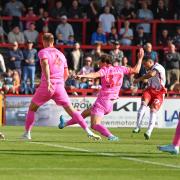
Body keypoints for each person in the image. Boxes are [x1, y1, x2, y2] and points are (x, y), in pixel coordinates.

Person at [22, 33, 101, 140]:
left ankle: (27, 133)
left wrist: (49, 81)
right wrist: (60, 84)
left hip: (47, 85)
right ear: (53, 41)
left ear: (44, 41)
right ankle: (88, 131)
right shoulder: (61, 54)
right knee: (72, 111)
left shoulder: (43, 52)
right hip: (59, 86)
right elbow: (67, 74)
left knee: (32, 108)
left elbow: (45, 64)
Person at [59, 49, 144, 141]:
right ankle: (64, 124)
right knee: (84, 113)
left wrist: (82, 76)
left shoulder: (105, 70)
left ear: (105, 63)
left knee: (94, 125)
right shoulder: (121, 68)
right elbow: (136, 70)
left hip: (102, 101)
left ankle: (111, 136)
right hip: (111, 103)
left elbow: (94, 75)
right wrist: (140, 59)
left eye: (100, 62)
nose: (98, 64)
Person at [132, 57, 166, 140]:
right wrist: (145, 82)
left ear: (150, 62)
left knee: (153, 111)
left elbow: (151, 74)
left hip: (159, 92)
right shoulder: (149, 68)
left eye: (145, 64)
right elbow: (150, 79)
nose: (144, 66)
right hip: (149, 90)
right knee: (143, 105)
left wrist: (139, 79)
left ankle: (149, 131)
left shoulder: (158, 67)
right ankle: (137, 126)